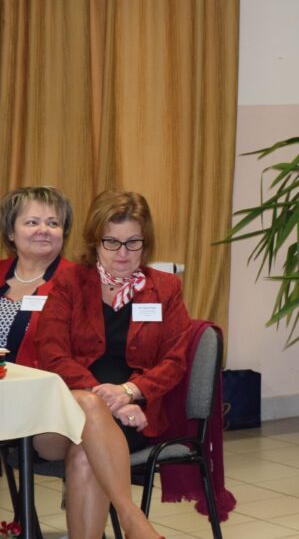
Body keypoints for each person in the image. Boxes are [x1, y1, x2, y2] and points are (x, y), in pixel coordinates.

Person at [34, 190, 190, 539]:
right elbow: (52, 352)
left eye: (133, 242)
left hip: (133, 419)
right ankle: (133, 519)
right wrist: (109, 399)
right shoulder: (70, 283)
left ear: (146, 242)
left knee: (86, 455)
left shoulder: (166, 288)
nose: (122, 253)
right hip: (61, 416)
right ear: (95, 241)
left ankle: (130, 520)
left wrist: (130, 392)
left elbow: (175, 359)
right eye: (112, 242)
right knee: (89, 405)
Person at [0, 186, 76, 366]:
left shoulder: (79, 281)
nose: (44, 230)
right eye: (32, 222)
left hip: (43, 381)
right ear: (11, 232)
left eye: (53, 223)